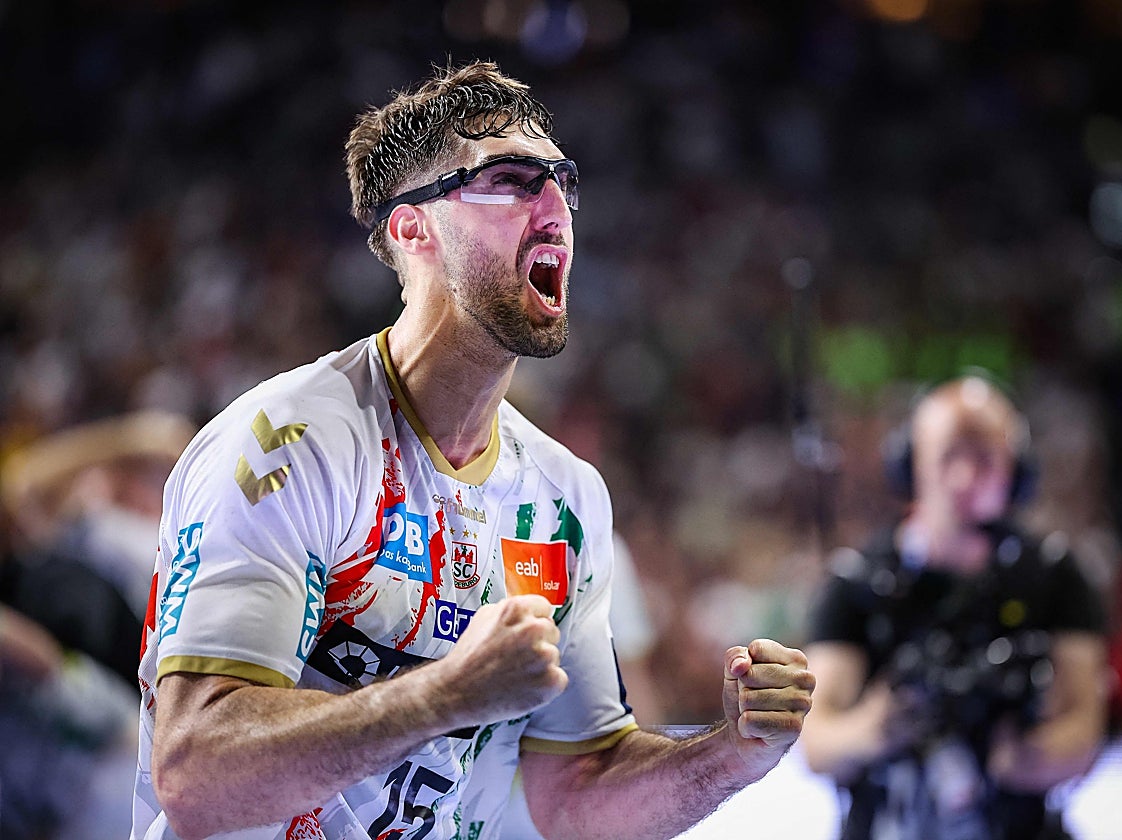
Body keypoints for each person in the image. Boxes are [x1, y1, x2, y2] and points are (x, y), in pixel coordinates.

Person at [133, 61, 815, 840]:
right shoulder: (288, 445)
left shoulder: (565, 498)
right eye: (512, 180)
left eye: (562, 181)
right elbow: (195, 773)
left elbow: (578, 796)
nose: (556, 208)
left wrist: (732, 755)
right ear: (412, 228)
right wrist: (444, 696)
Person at [801, 376, 1109, 840]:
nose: (965, 478)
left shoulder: (1054, 577)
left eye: (985, 457)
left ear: (1016, 470)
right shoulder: (859, 583)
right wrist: (874, 730)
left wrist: (1022, 757)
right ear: (912, 464)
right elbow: (816, 744)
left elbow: (1086, 730)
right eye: (948, 455)